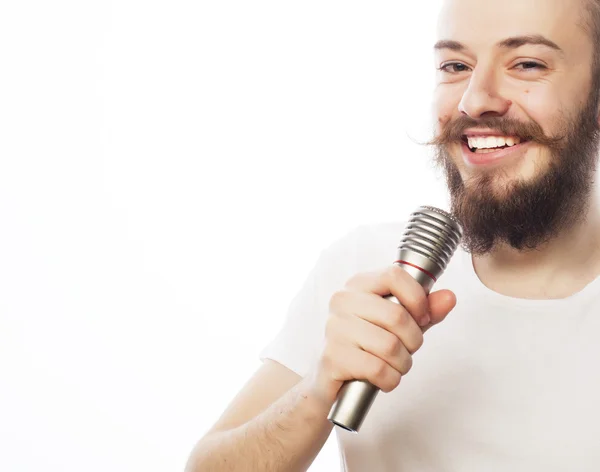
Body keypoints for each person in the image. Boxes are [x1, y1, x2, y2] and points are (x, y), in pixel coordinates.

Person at [186, 0, 600, 469]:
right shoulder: (365, 271)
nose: (474, 99)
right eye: (455, 65)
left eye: (526, 63)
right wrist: (318, 388)